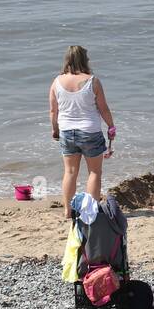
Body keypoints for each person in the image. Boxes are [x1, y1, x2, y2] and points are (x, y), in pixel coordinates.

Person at [49, 45, 115, 220]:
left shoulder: (57, 82)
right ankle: (90, 211)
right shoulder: (92, 81)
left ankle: (67, 211)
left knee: (70, 172)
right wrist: (111, 126)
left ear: (67, 60)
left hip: (67, 131)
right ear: (85, 59)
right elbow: (104, 109)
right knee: (94, 172)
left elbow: (53, 111)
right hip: (90, 132)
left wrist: (55, 130)